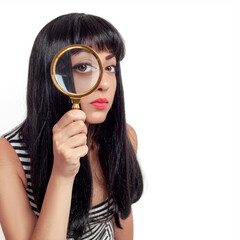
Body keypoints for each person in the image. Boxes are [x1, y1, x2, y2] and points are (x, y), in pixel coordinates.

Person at [0, 13, 143, 240]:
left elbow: (122, 224)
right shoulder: (8, 156)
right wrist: (62, 173)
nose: (104, 83)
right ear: (55, 77)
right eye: (84, 67)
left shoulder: (125, 137)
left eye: (110, 67)